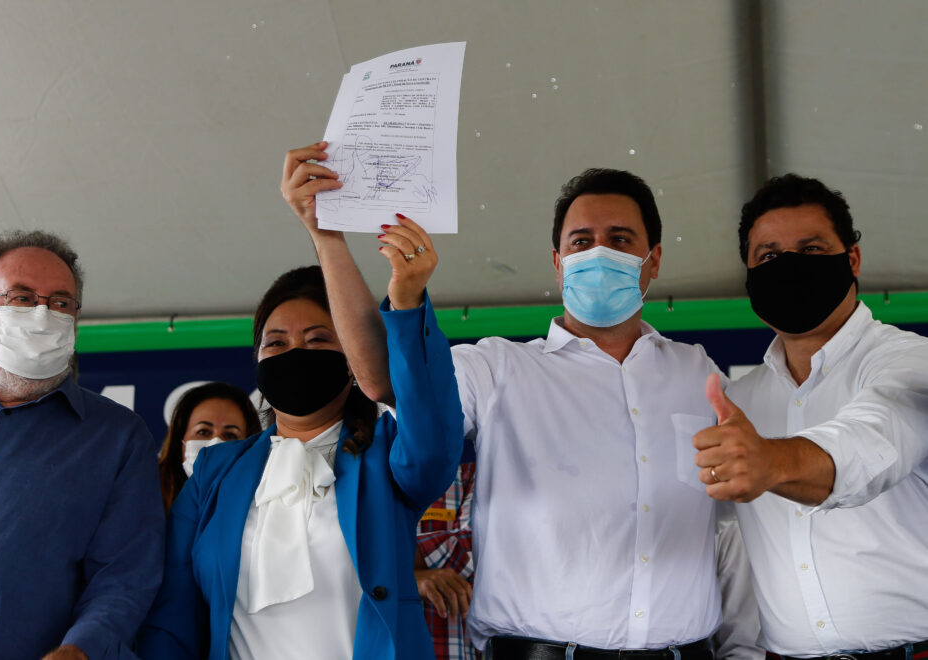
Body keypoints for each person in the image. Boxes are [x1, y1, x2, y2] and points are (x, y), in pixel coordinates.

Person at [280, 142, 753, 658]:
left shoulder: (698, 372)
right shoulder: (499, 368)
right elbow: (384, 382)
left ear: (653, 260)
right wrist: (330, 241)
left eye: (620, 240)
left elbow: (741, 525)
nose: (599, 254)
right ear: (557, 262)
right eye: (581, 242)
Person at [136, 265, 464, 660]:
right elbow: (173, 615)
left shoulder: (386, 454)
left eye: (317, 339)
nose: (294, 353)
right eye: (276, 343)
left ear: (352, 357)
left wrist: (407, 303)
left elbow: (432, 431)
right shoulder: (215, 472)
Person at [693, 174, 928, 657]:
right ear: (750, 274)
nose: (790, 266)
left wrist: (772, 463)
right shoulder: (740, 402)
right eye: (769, 256)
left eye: (812, 249)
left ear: (853, 259)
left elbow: (871, 441)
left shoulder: (907, 362)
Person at [0, 230, 164, 659]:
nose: (43, 315)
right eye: (22, 298)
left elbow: (125, 575)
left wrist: (80, 649)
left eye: (60, 303)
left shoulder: (116, 437)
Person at [157, 381, 262, 513]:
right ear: (180, 441)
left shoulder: (260, 505)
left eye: (230, 435)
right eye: (203, 432)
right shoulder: (149, 499)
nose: (215, 443)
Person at [415, 457, 478, 660]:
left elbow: (482, 546)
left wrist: (384, 572)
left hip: (449, 648)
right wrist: (410, 581)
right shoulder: (359, 470)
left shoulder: (469, 470)